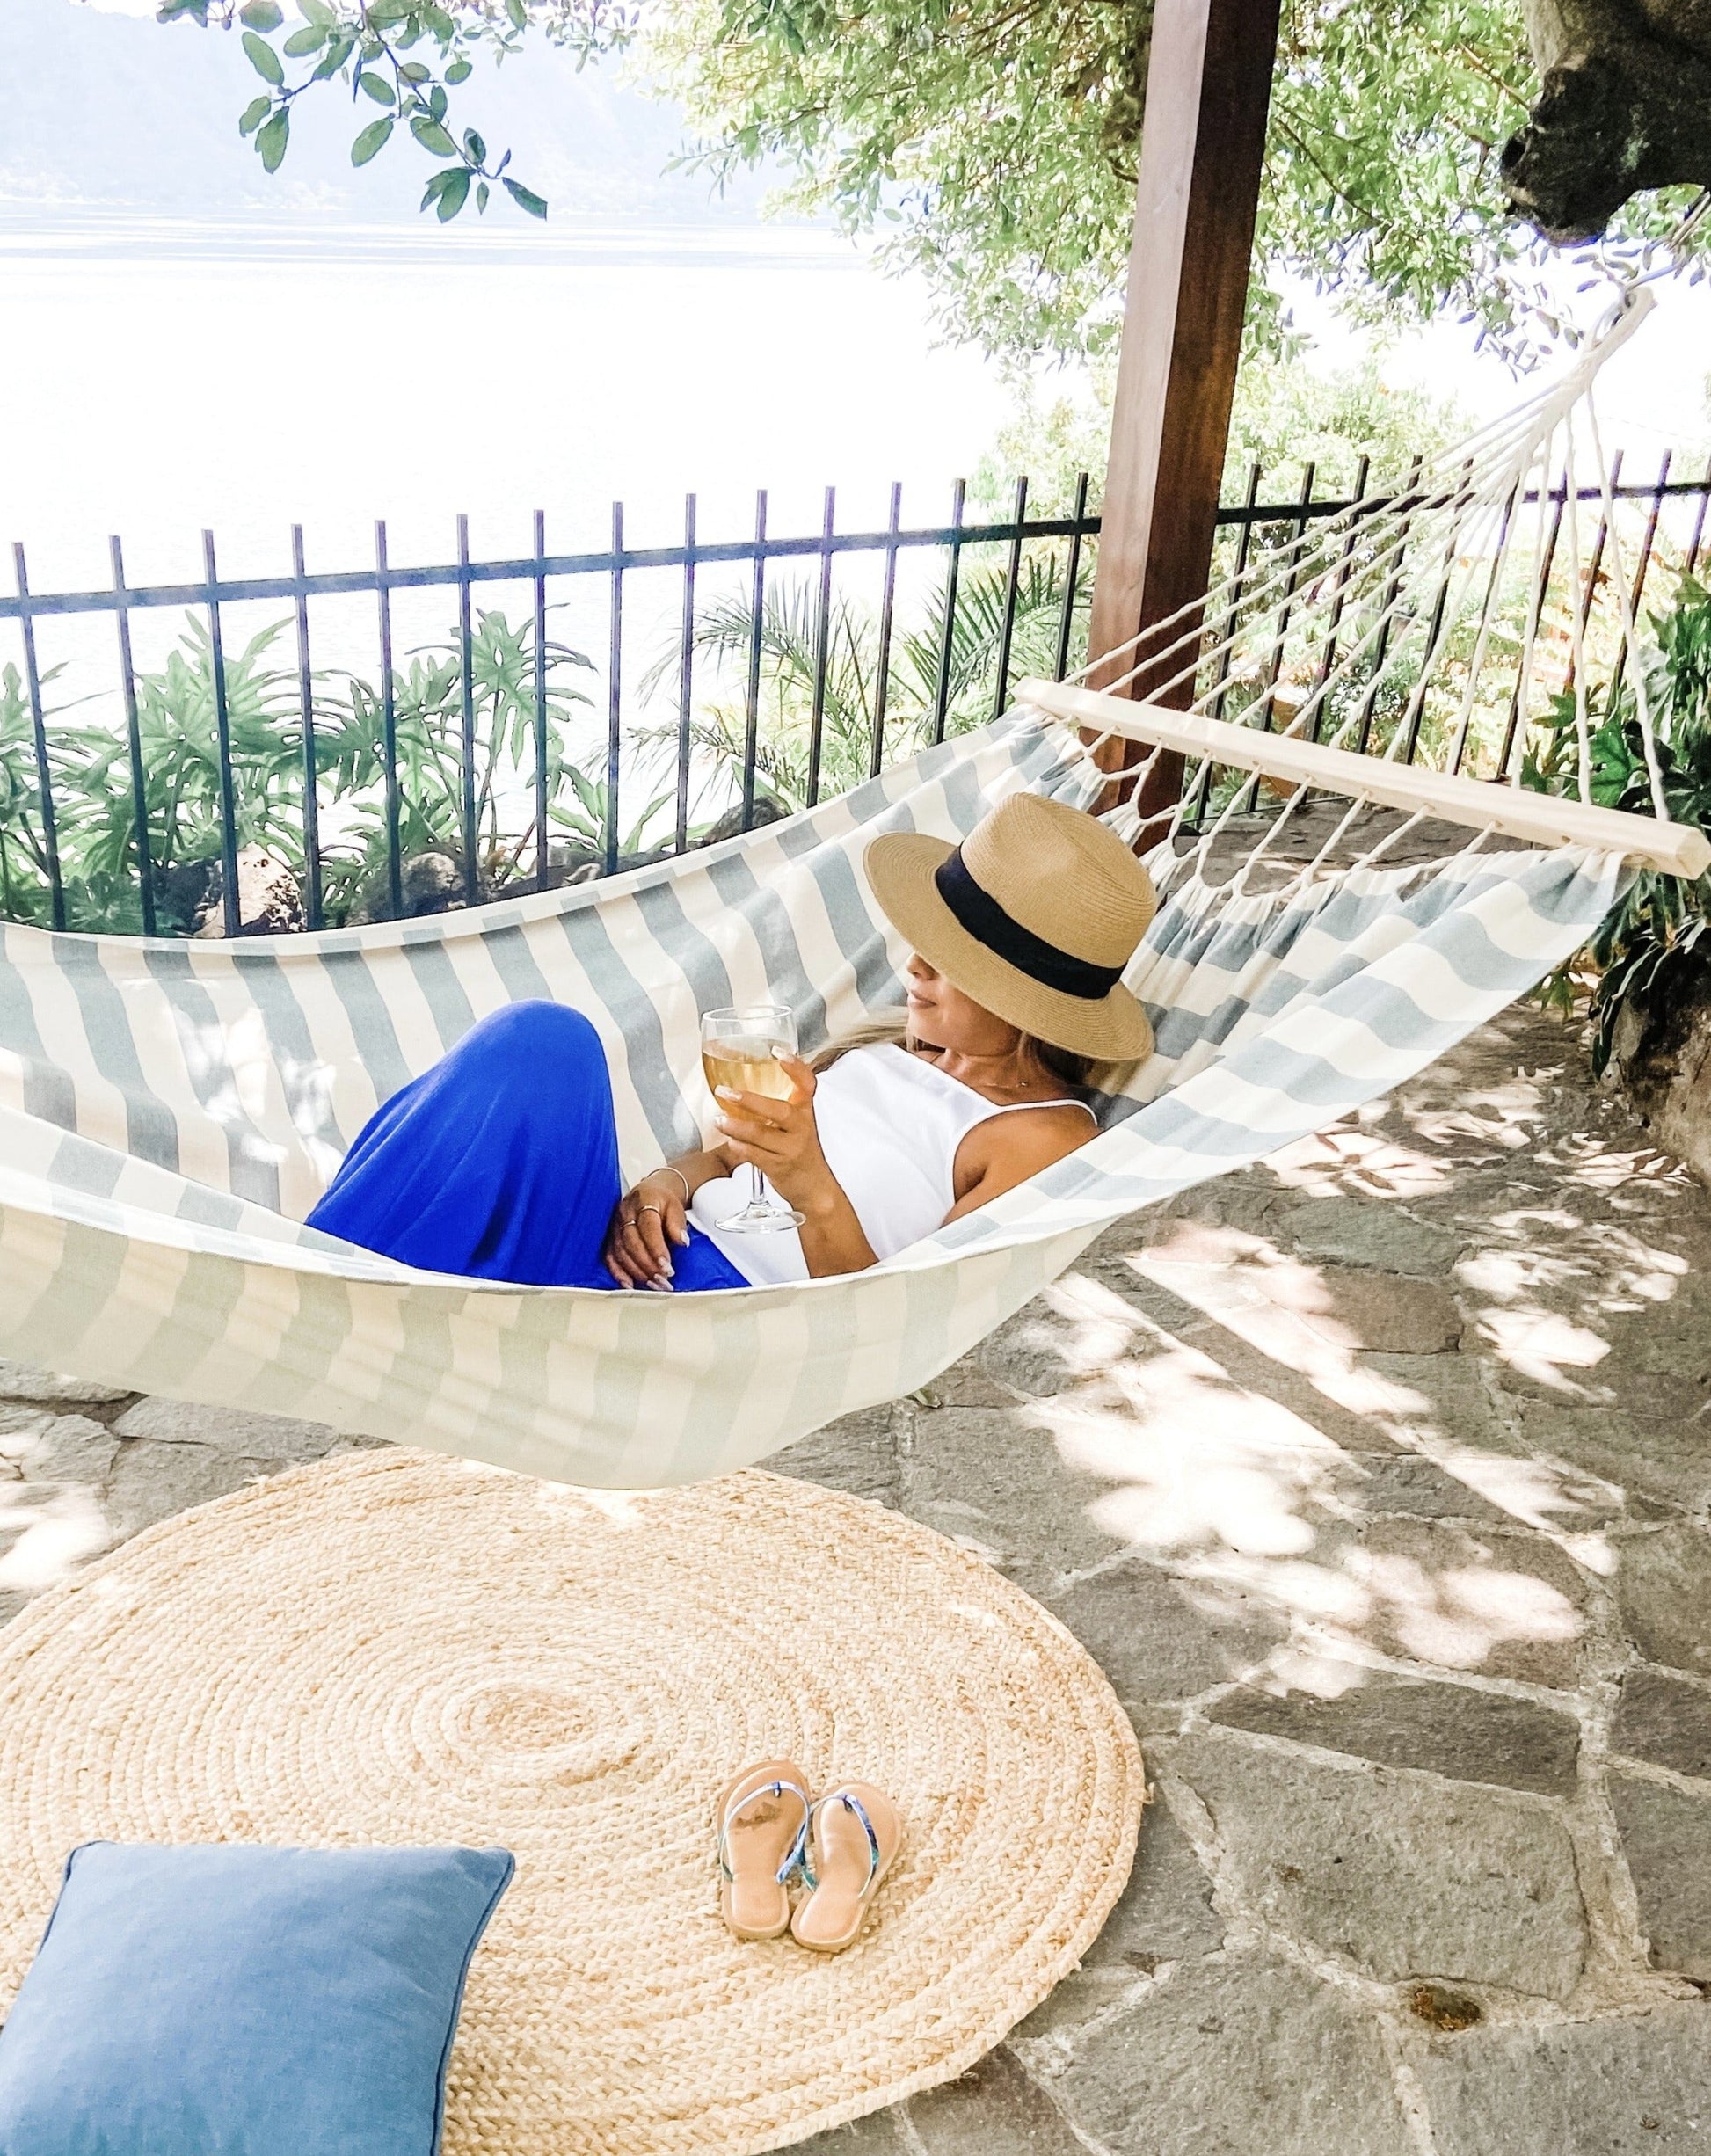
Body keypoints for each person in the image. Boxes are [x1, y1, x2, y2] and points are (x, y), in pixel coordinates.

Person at [305, 792, 1156, 1291]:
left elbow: (900, 1316)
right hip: (633, 1254)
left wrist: (810, 1183)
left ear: (1029, 999)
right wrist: (664, 1183)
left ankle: (331, 1300)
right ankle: (312, 1276)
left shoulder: (1041, 1137)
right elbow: (724, 1160)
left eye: (956, 958)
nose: (914, 964)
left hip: (715, 1318)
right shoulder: (891, 1050)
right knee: (543, 1042)